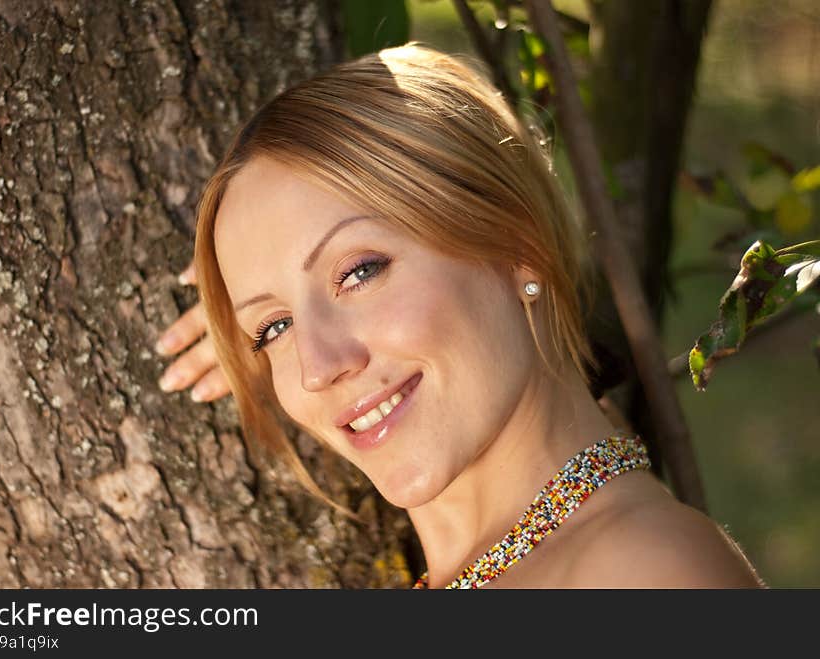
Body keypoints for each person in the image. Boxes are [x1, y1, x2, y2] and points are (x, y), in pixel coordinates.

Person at [155, 44, 762, 588]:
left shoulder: (646, 574)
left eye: (360, 271)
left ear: (516, 245)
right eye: (272, 328)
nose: (317, 367)